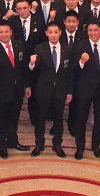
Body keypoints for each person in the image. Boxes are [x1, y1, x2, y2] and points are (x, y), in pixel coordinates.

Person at [71, 19, 100, 160]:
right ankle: (80, 147)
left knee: (99, 118)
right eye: (90, 30)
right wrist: (81, 62)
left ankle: (96, 146)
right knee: (81, 118)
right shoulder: (80, 46)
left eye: (95, 30)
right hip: (84, 88)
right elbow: (73, 69)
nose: (93, 33)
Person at [0, 20, 30, 158]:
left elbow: (24, 68)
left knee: (14, 118)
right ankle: (2, 146)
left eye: (7, 31)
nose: (4, 34)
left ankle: (13, 141)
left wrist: (27, 85)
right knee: (0, 120)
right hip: (0, 91)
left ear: (11, 32)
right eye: (1, 32)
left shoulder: (19, 45)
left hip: (17, 90)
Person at [29, 21, 73, 158]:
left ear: (60, 33)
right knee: (40, 119)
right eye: (50, 32)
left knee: (58, 120)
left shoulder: (67, 49)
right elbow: (35, 68)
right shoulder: (39, 48)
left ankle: (57, 145)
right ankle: (39, 144)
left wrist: (69, 91)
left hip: (60, 90)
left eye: (56, 32)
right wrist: (32, 63)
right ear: (46, 33)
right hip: (43, 90)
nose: (53, 35)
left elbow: (69, 73)